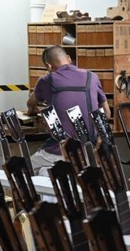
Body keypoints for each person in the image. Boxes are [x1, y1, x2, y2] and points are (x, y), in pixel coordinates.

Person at [26, 45, 111, 175]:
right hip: (91, 151)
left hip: (60, 151)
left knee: (24, 169)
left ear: (48, 66)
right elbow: (106, 111)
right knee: (46, 172)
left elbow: (30, 104)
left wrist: (33, 111)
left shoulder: (47, 80)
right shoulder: (92, 77)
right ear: (69, 59)